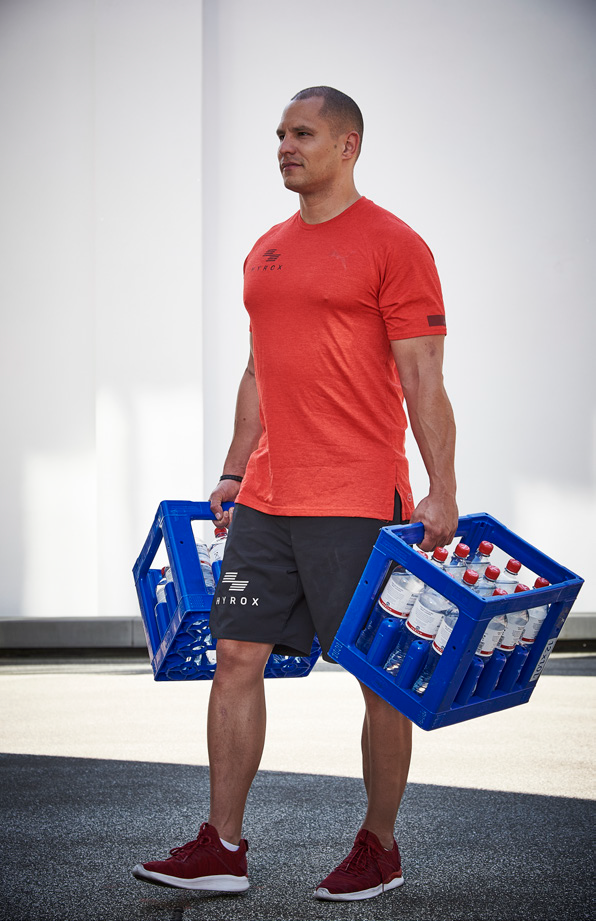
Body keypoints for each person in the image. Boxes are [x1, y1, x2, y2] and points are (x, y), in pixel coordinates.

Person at [133, 85, 458, 902]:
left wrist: (441, 489)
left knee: (376, 677)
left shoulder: (394, 244)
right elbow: (257, 369)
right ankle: (222, 845)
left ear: (347, 145)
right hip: (271, 497)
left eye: (302, 133)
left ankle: (379, 845)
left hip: (355, 494)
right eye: (279, 133)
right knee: (236, 656)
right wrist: (237, 468)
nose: (285, 145)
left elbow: (423, 376)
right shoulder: (266, 250)